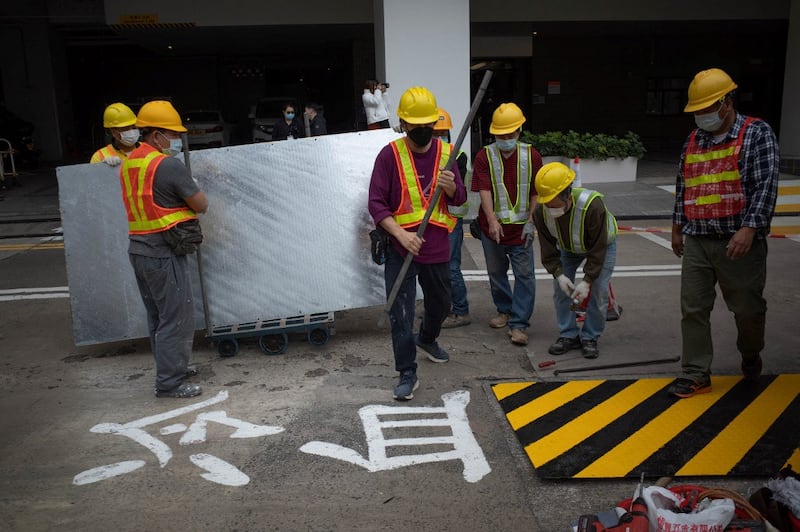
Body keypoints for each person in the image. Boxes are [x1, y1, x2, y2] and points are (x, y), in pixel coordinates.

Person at [668, 68, 779, 398]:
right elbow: (683, 186)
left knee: (747, 310)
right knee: (693, 308)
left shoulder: (756, 134)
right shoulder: (694, 140)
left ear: (727, 102)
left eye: (706, 109)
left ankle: (750, 353)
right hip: (698, 239)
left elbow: (765, 186)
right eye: (697, 111)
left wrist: (750, 228)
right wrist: (676, 228)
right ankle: (696, 372)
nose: (701, 116)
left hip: (739, 242)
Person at [368, 86, 467, 401]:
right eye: (416, 124)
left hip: (437, 246)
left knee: (441, 304)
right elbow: (376, 204)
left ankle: (428, 337)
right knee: (401, 312)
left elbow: (461, 202)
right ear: (403, 122)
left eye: (428, 124)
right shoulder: (389, 155)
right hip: (401, 248)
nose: (423, 130)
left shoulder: (449, 154)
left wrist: (452, 189)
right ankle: (407, 373)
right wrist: (400, 234)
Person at [120, 100, 209, 398]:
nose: (176, 140)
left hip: (139, 250)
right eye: (172, 134)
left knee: (159, 317)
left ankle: (173, 368)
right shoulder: (167, 165)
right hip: (163, 252)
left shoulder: (131, 161)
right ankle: (170, 382)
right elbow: (202, 204)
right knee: (178, 318)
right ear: (156, 135)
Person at [471, 102, 542, 346]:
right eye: (501, 135)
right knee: (496, 272)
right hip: (494, 229)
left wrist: (532, 219)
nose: (506, 139)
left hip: (521, 229)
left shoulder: (531, 156)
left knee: (525, 276)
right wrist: (491, 220)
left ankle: (519, 324)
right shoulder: (484, 156)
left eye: (510, 134)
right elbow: (484, 189)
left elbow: (536, 191)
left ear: (519, 131)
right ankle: (505, 310)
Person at [532, 162, 618, 359]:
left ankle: (590, 336)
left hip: (601, 246)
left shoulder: (592, 205)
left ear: (568, 196)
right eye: (546, 203)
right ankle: (568, 334)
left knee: (598, 290)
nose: (549, 208)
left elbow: (598, 249)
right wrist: (559, 274)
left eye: (554, 204)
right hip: (569, 248)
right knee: (561, 290)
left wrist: (588, 281)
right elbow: (547, 249)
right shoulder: (541, 211)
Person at [435, 108, 472, 329]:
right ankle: (444, 308)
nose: (438, 137)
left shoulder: (457, 156)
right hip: (437, 219)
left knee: (451, 266)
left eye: (442, 133)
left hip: (452, 219)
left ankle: (461, 311)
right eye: (435, 133)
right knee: (438, 267)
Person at [90, 102, 140, 166]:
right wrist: (103, 167)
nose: (131, 131)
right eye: (126, 128)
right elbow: (93, 175)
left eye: (134, 127)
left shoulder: (149, 150)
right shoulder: (99, 156)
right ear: (113, 132)